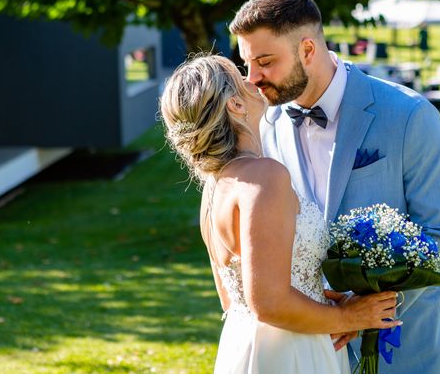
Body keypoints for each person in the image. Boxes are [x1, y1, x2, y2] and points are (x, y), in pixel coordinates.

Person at [229, 0, 440, 374]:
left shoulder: (409, 115)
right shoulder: (267, 125)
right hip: (313, 346)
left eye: (265, 62)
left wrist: (365, 313)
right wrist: (327, 316)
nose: (252, 78)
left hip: (407, 347)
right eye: (247, 63)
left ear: (308, 50)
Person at [160, 54, 400, 373]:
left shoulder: (214, 187)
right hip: (292, 353)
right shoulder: (265, 176)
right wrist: (350, 317)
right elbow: (269, 303)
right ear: (235, 106)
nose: (252, 80)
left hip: (246, 346)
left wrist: (319, 304)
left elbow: (233, 299)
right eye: (240, 76)